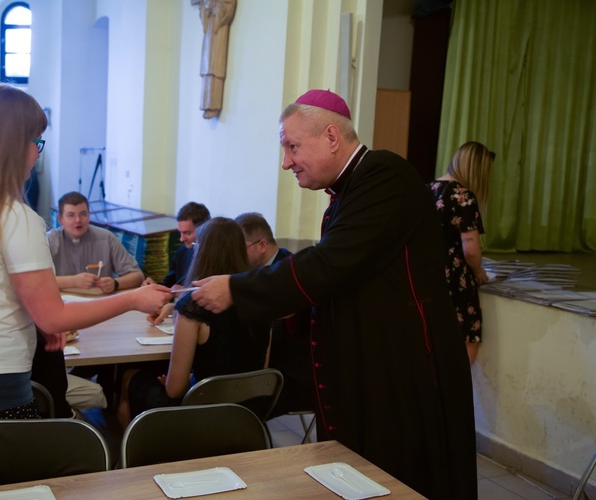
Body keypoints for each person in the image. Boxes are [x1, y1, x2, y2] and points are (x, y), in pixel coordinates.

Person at [192, 89, 477, 498]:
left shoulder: (385, 175)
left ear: (330, 136)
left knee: (401, 481)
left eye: (292, 147)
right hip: (371, 365)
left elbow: (329, 266)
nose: (286, 161)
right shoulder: (348, 195)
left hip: (405, 373)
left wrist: (238, 288)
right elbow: (339, 281)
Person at [0, 84, 171, 497]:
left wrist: (36, 318)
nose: (38, 152)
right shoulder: (16, 217)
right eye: (36, 140)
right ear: (14, 143)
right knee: (10, 487)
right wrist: (133, 298)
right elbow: (53, 316)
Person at [118, 217, 270, 429]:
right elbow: (258, 370)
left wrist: (186, 381)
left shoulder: (194, 307)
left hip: (198, 416)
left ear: (202, 251)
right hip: (247, 413)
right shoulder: (261, 301)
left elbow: (174, 391)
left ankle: (133, 456)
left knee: (128, 377)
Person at [235, 212, 314, 418]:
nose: (236, 256)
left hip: (289, 377)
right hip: (270, 368)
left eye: (240, 249)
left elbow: (273, 335)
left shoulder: (289, 274)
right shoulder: (257, 270)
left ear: (261, 245)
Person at [428, 141, 494, 365]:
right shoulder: (463, 196)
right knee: (469, 336)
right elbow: (471, 250)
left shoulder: (428, 189)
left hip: (428, 271)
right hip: (455, 279)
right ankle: (454, 396)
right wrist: (479, 271)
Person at [48, 191, 144, 293]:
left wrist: (115, 283)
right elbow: (34, 281)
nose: (78, 220)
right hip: (61, 303)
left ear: (89, 215)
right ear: (60, 219)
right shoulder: (49, 241)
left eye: (83, 214)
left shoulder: (106, 238)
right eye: (71, 215)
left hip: (99, 302)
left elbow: (138, 275)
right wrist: (73, 281)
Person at [142, 201, 210, 324]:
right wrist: (154, 286)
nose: (181, 239)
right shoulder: (182, 252)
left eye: (187, 233)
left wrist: (184, 292)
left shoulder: (214, 256)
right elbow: (170, 283)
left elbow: (211, 294)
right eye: (180, 232)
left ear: (204, 229)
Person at [194, 0, 237, 119]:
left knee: (215, 66)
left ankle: (213, 104)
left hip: (219, 30)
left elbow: (228, 7)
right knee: (207, 67)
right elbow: (202, 8)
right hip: (209, 31)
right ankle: (205, 103)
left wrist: (216, 7)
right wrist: (206, 7)